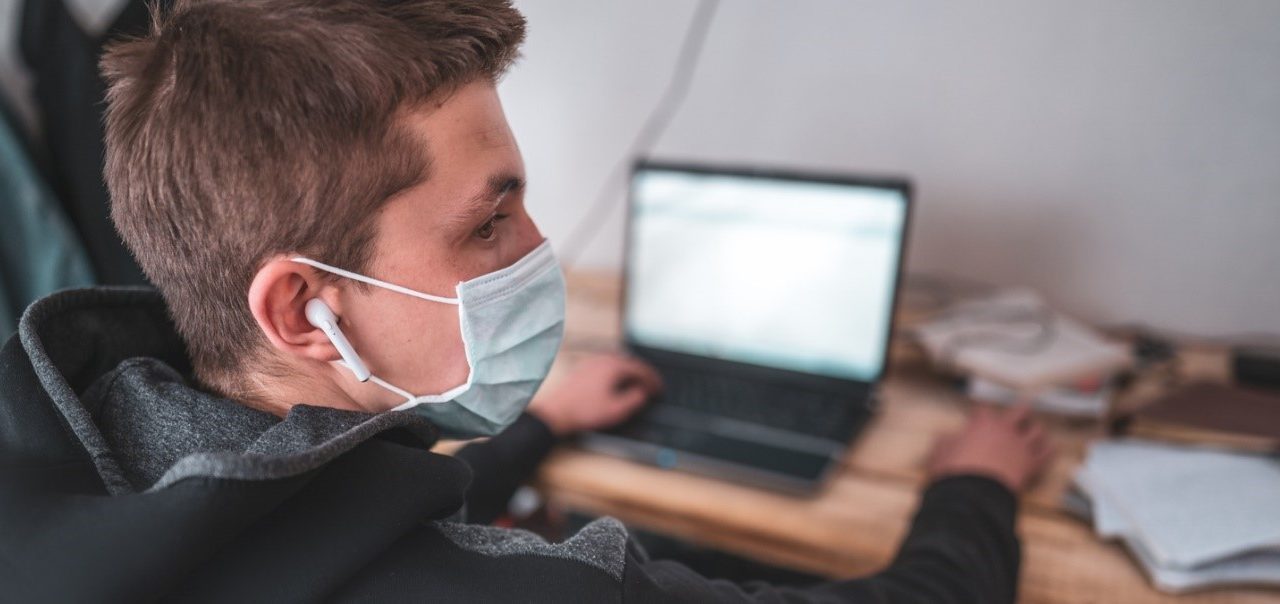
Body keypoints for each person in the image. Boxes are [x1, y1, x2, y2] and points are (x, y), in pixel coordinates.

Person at [0, 0, 1053, 601]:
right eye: (488, 221)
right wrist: (971, 486)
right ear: (299, 310)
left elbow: (312, 511)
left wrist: (541, 424)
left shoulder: (81, 454)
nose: (539, 250)